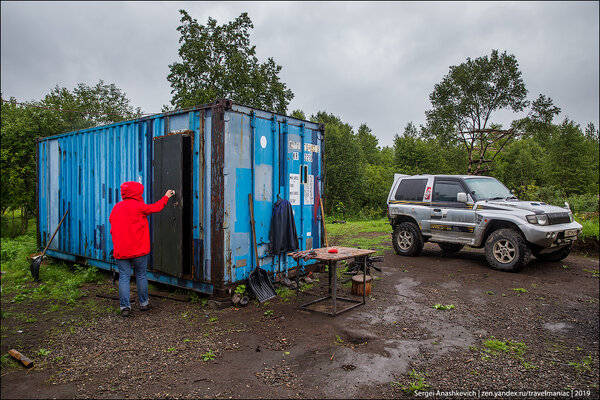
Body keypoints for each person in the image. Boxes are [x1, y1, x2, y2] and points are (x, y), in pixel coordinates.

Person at [109, 181, 175, 317]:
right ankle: (144, 303)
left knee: (124, 277)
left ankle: (125, 307)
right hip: (138, 250)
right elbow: (156, 208)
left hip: (122, 250)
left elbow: (112, 224)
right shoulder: (139, 207)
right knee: (141, 275)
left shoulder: (116, 207)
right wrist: (166, 196)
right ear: (137, 193)